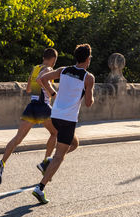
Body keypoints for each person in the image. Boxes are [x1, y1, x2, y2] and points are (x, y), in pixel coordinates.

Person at [32, 44, 95, 204]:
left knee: (74, 143)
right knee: (60, 156)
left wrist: (53, 93)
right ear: (88, 59)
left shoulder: (63, 70)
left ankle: (47, 164)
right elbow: (88, 103)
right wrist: (91, 95)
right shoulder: (88, 78)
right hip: (68, 119)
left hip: (55, 116)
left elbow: (41, 79)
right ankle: (40, 188)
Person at [0, 48, 59, 184]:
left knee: (18, 138)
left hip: (32, 105)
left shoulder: (35, 68)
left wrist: (38, 86)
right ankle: (46, 163)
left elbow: (28, 89)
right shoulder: (48, 70)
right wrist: (51, 93)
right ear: (53, 59)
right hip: (43, 106)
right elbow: (42, 80)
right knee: (55, 133)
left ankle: (2, 162)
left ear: (43, 57)